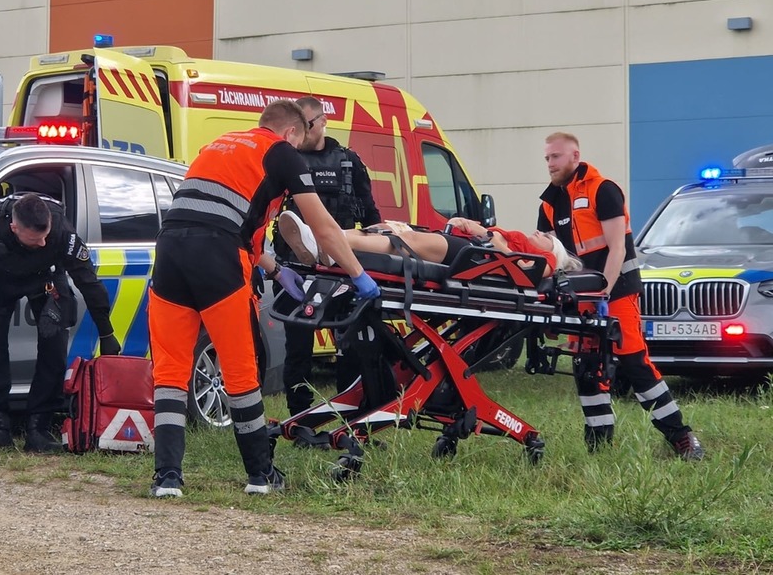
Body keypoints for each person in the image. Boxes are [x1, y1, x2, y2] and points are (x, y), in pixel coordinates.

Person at [148, 100, 381, 498]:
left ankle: (167, 478)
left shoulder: (219, 145)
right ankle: (261, 475)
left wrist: (273, 269)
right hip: (219, 259)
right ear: (291, 132)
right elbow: (323, 226)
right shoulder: (282, 153)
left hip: (169, 253)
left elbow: (225, 216)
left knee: (170, 374)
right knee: (241, 371)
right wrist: (360, 277)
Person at [538, 131, 704, 460]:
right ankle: (599, 446)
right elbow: (552, 257)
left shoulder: (603, 189)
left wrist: (603, 293)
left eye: (555, 157)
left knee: (633, 362)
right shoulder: (549, 202)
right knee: (587, 368)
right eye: (546, 158)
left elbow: (617, 248)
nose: (550, 164)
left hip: (618, 291)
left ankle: (681, 437)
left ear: (574, 156)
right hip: (581, 298)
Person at [0, 193, 121, 453]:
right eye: (35, 239)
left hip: (45, 279)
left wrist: (106, 333)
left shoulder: (60, 231)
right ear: (14, 228)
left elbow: (88, 282)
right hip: (0, 281)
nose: (43, 242)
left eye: (45, 235)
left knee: (55, 344)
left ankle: (39, 427)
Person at [272, 95, 382, 415]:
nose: (302, 133)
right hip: (297, 269)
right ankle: (301, 418)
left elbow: (371, 215)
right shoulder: (285, 160)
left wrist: (374, 257)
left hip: (342, 269)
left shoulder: (349, 161)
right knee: (299, 350)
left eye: (307, 125)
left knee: (350, 347)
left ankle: (352, 415)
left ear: (322, 122)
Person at [277, 213, 582, 278]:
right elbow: (488, 235)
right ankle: (322, 238)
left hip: (469, 257)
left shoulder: (546, 260)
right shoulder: (524, 242)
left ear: (551, 248)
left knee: (402, 242)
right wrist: (470, 225)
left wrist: (496, 240)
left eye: (546, 236)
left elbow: (524, 270)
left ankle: (327, 242)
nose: (539, 232)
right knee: (386, 229)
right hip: (469, 247)